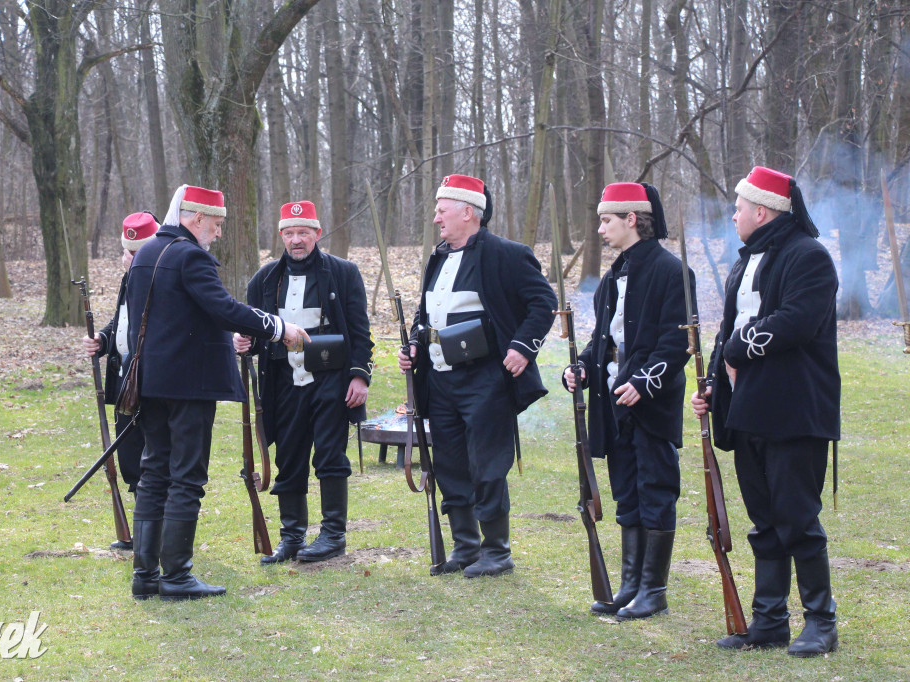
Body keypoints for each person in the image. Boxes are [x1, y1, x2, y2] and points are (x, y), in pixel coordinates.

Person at [125, 184, 308, 601]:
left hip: (151, 383)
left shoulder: (147, 254)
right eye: (217, 223)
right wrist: (280, 328)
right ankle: (176, 575)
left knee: (154, 474)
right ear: (194, 218)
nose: (220, 232)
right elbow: (225, 309)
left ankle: (145, 575)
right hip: (189, 384)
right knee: (186, 477)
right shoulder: (190, 255)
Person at [692, 166, 840, 656]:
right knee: (764, 520)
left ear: (762, 210)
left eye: (739, 207)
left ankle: (821, 622)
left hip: (795, 407)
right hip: (747, 408)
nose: (733, 215)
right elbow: (728, 330)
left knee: (797, 518)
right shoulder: (744, 262)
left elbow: (796, 321)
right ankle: (769, 621)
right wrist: (713, 384)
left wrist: (735, 348)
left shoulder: (809, 257)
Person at [397, 174, 556, 578]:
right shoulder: (438, 256)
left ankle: (496, 551)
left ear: (468, 212)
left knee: (486, 465)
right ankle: (465, 547)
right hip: (441, 380)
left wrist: (522, 347)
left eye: (442, 211)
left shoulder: (507, 254)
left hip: (486, 379)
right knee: (450, 464)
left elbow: (543, 302)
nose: (436, 219)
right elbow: (427, 314)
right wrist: (416, 344)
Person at [562, 182, 693, 620]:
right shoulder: (613, 277)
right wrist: (580, 367)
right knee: (626, 494)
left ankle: (653, 590)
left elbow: (676, 345)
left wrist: (644, 383)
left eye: (606, 221)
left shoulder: (670, 272)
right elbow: (604, 340)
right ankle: (630, 585)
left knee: (655, 490)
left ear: (631, 219)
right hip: (613, 403)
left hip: (651, 406)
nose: (600, 230)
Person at [234, 201, 373, 565]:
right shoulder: (262, 280)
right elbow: (253, 332)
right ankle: (292, 536)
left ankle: (333, 535)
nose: (296, 241)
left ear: (317, 233)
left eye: (303, 233)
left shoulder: (344, 273)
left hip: (331, 380)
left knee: (330, 456)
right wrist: (242, 342)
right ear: (281, 235)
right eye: (290, 234)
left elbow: (359, 331)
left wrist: (360, 375)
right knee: (289, 458)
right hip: (282, 382)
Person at [81, 211, 160, 551]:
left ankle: (156, 537)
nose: (131, 258)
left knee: (154, 459)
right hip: (126, 382)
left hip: (154, 384)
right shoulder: (129, 279)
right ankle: (142, 536)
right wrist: (102, 339)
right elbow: (123, 322)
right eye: (128, 252)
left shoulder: (162, 280)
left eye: (138, 251)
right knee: (130, 458)